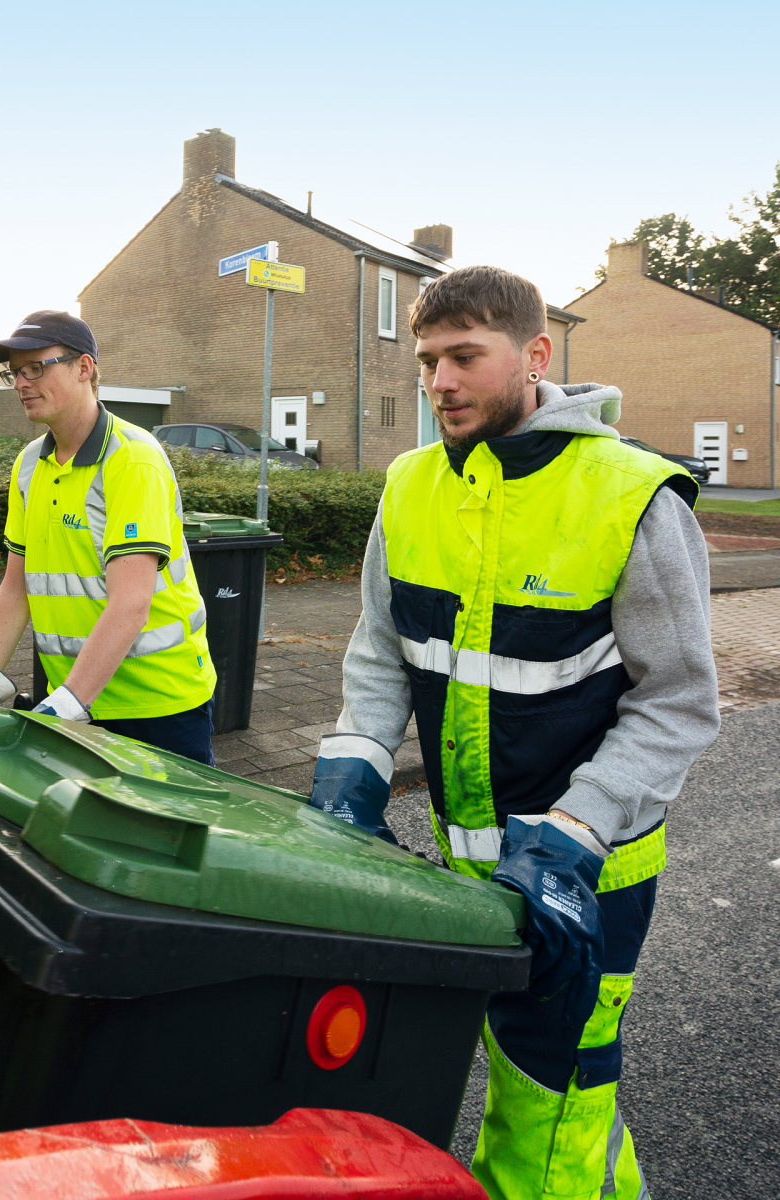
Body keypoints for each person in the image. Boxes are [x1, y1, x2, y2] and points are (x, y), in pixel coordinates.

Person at [311, 266, 719, 1199]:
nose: (440, 382)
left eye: (464, 357)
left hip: (590, 875)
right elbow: (380, 659)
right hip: (461, 863)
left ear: (535, 355)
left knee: (547, 1102)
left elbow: (681, 702)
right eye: (426, 361)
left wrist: (576, 833)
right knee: (534, 1092)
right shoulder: (409, 487)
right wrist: (352, 772)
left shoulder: (634, 496)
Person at [0, 310, 217, 764]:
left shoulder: (132, 462)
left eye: (36, 367)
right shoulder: (29, 466)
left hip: (157, 703)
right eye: (14, 372)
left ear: (84, 368)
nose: (20, 382)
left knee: (158, 834)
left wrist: (69, 702)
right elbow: (17, 588)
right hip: (75, 699)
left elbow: (130, 603)